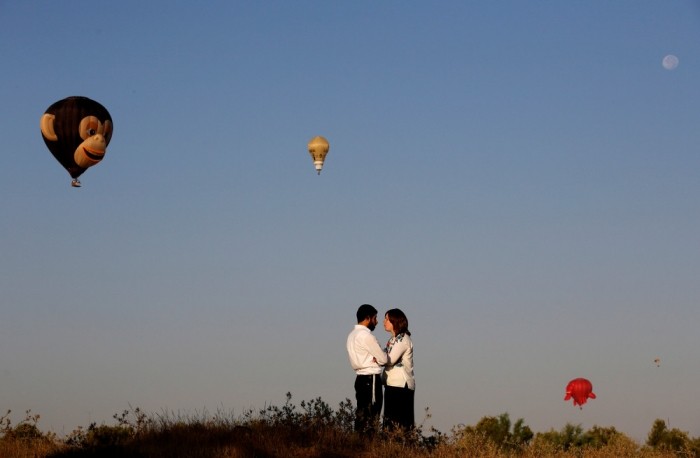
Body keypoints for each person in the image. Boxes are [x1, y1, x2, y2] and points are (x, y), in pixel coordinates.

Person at [346, 304, 388, 434]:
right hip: (371, 378)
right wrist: (381, 355)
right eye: (375, 318)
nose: (376, 322)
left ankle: (359, 441)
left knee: (361, 413)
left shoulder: (351, 335)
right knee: (372, 413)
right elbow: (384, 359)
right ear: (368, 318)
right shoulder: (366, 336)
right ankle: (369, 444)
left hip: (359, 378)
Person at [382, 308, 415, 431]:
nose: (384, 321)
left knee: (401, 422)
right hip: (391, 384)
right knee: (390, 420)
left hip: (401, 385)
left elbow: (390, 359)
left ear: (395, 321)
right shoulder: (392, 340)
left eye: (387, 319)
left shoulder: (403, 339)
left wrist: (377, 358)